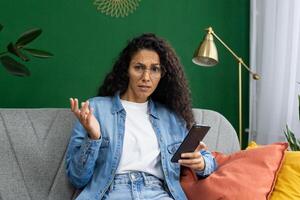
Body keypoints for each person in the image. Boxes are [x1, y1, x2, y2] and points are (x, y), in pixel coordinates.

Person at [66, 33, 217, 200]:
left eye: (155, 69)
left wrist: (202, 163)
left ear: (162, 74)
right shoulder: (96, 109)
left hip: (157, 193)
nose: (146, 77)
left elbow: (207, 159)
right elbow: (77, 177)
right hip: (112, 192)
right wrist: (94, 138)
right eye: (138, 67)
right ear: (126, 70)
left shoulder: (171, 118)